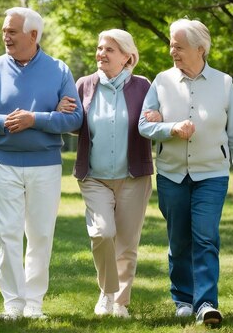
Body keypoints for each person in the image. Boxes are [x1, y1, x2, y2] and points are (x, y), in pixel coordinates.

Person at [0, 7, 83, 320]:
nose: (5, 36)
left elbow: (74, 117)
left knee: (41, 234)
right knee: (9, 234)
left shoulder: (59, 70)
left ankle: (34, 305)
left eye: (12, 31)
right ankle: (13, 304)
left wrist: (36, 119)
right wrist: (5, 121)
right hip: (4, 163)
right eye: (4, 30)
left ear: (33, 35)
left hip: (46, 165)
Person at [138, 19, 233, 326]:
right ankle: (183, 299)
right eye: (172, 45)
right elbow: (144, 126)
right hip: (172, 174)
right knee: (179, 240)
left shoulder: (224, 83)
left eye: (179, 46)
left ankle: (206, 303)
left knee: (205, 237)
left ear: (200, 49)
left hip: (212, 173)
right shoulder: (160, 82)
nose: (172, 50)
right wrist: (170, 128)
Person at [62, 29, 153, 318]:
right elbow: (73, 123)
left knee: (127, 243)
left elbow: (152, 121)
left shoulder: (143, 86)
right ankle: (106, 292)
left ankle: (120, 303)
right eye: (100, 48)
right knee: (102, 233)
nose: (101, 54)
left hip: (133, 176)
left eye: (109, 50)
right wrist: (62, 110)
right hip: (95, 176)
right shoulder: (85, 84)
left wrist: (160, 118)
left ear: (127, 56)